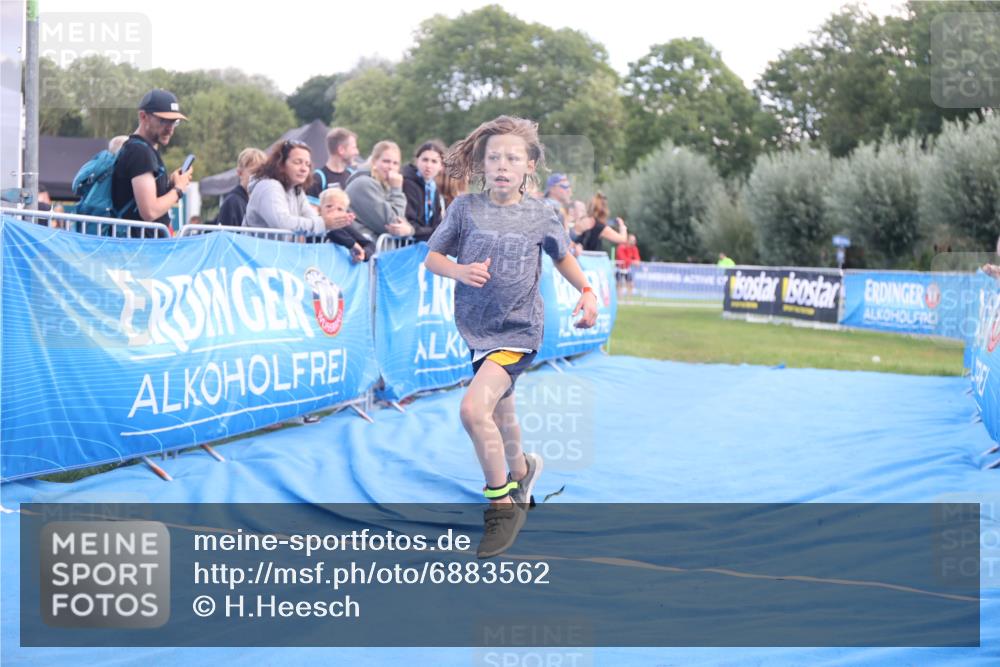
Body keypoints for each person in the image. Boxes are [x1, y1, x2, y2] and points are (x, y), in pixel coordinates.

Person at [424, 115, 598, 558]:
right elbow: (433, 258)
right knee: (502, 416)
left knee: (471, 409)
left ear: (529, 167)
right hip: (476, 329)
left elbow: (562, 259)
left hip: (520, 330)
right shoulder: (464, 209)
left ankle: (501, 505)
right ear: (482, 164)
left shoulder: (542, 214)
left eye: (513, 158)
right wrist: (460, 270)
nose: (503, 165)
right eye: (495, 157)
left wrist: (588, 291)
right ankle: (523, 468)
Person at [243, 139, 363, 257]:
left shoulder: (296, 190)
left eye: (307, 164)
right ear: (281, 164)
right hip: (257, 259)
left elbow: (314, 219)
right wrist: (325, 223)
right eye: (297, 162)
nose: (304, 169)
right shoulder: (269, 186)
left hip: (274, 257)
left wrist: (350, 243)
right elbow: (282, 222)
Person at [111, 89, 193, 238]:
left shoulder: (141, 149)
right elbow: (149, 211)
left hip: (141, 248)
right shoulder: (140, 152)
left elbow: (141, 200)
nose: (170, 129)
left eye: (174, 122)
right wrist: (179, 189)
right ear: (143, 116)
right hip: (140, 251)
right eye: (163, 121)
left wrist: (171, 185)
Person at [344, 141, 412, 241]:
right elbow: (393, 223)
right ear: (374, 161)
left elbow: (402, 222)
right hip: (362, 251)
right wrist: (397, 190)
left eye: (395, 163)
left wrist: (409, 230)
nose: (391, 167)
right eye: (386, 161)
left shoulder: (383, 184)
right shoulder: (364, 184)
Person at [402, 140, 446, 241]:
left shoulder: (433, 187)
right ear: (417, 161)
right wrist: (434, 232)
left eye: (434, 161)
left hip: (427, 241)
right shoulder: (408, 183)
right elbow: (412, 223)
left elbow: (438, 224)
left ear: (441, 166)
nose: (428, 165)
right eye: (425, 160)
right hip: (410, 243)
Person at [305, 127, 360, 205]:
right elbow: (313, 212)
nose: (357, 152)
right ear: (341, 150)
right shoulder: (318, 178)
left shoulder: (353, 176)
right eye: (354, 147)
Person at [216, 148, 266, 227]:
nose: (258, 176)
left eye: (261, 172)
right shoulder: (232, 203)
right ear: (240, 173)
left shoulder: (262, 202)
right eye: (253, 172)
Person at [319, 187, 371, 262]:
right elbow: (332, 231)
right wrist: (353, 245)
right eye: (329, 206)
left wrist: (363, 254)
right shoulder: (315, 223)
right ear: (320, 209)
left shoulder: (345, 227)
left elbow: (369, 244)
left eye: (340, 209)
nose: (333, 211)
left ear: (345, 213)